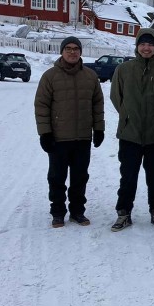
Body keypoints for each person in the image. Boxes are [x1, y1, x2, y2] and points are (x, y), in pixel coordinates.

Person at [109, 28, 154, 231]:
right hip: (130, 134)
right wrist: (127, 116)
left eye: (150, 44)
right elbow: (116, 96)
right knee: (128, 176)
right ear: (137, 46)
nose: (146, 48)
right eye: (143, 44)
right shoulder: (123, 69)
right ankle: (124, 213)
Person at [34, 36, 105, 228]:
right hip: (58, 138)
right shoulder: (50, 76)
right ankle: (58, 212)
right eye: (68, 48)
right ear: (62, 51)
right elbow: (41, 106)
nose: (72, 52)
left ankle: (77, 212)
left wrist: (99, 128)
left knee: (80, 177)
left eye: (76, 49)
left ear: (80, 52)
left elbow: (97, 104)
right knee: (57, 177)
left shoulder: (90, 76)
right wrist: (45, 133)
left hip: (83, 137)